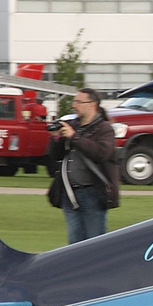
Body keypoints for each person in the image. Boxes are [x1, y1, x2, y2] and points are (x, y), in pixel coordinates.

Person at [49, 87, 119, 243]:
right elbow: (56, 156)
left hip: (93, 194)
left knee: (94, 244)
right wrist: (56, 139)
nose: (74, 105)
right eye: (75, 101)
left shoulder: (104, 128)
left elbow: (102, 153)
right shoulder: (72, 124)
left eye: (79, 102)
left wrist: (74, 137)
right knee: (73, 246)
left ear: (92, 104)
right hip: (69, 194)